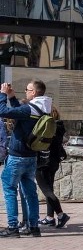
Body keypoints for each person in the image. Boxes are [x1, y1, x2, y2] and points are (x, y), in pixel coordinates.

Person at [0, 80, 50, 237]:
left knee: (9, 189)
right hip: (31, 157)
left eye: (27, 89)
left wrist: (2, 94)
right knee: (30, 192)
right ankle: (33, 226)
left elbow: (3, 111)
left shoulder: (29, 109)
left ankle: (13, 227)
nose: (26, 92)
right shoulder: (43, 109)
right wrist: (13, 97)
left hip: (17, 157)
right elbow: (20, 113)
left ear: (34, 92)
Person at [35, 106, 70, 229]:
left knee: (46, 190)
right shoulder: (59, 127)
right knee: (49, 188)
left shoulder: (47, 127)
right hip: (54, 161)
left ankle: (61, 214)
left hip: (43, 161)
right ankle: (50, 217)